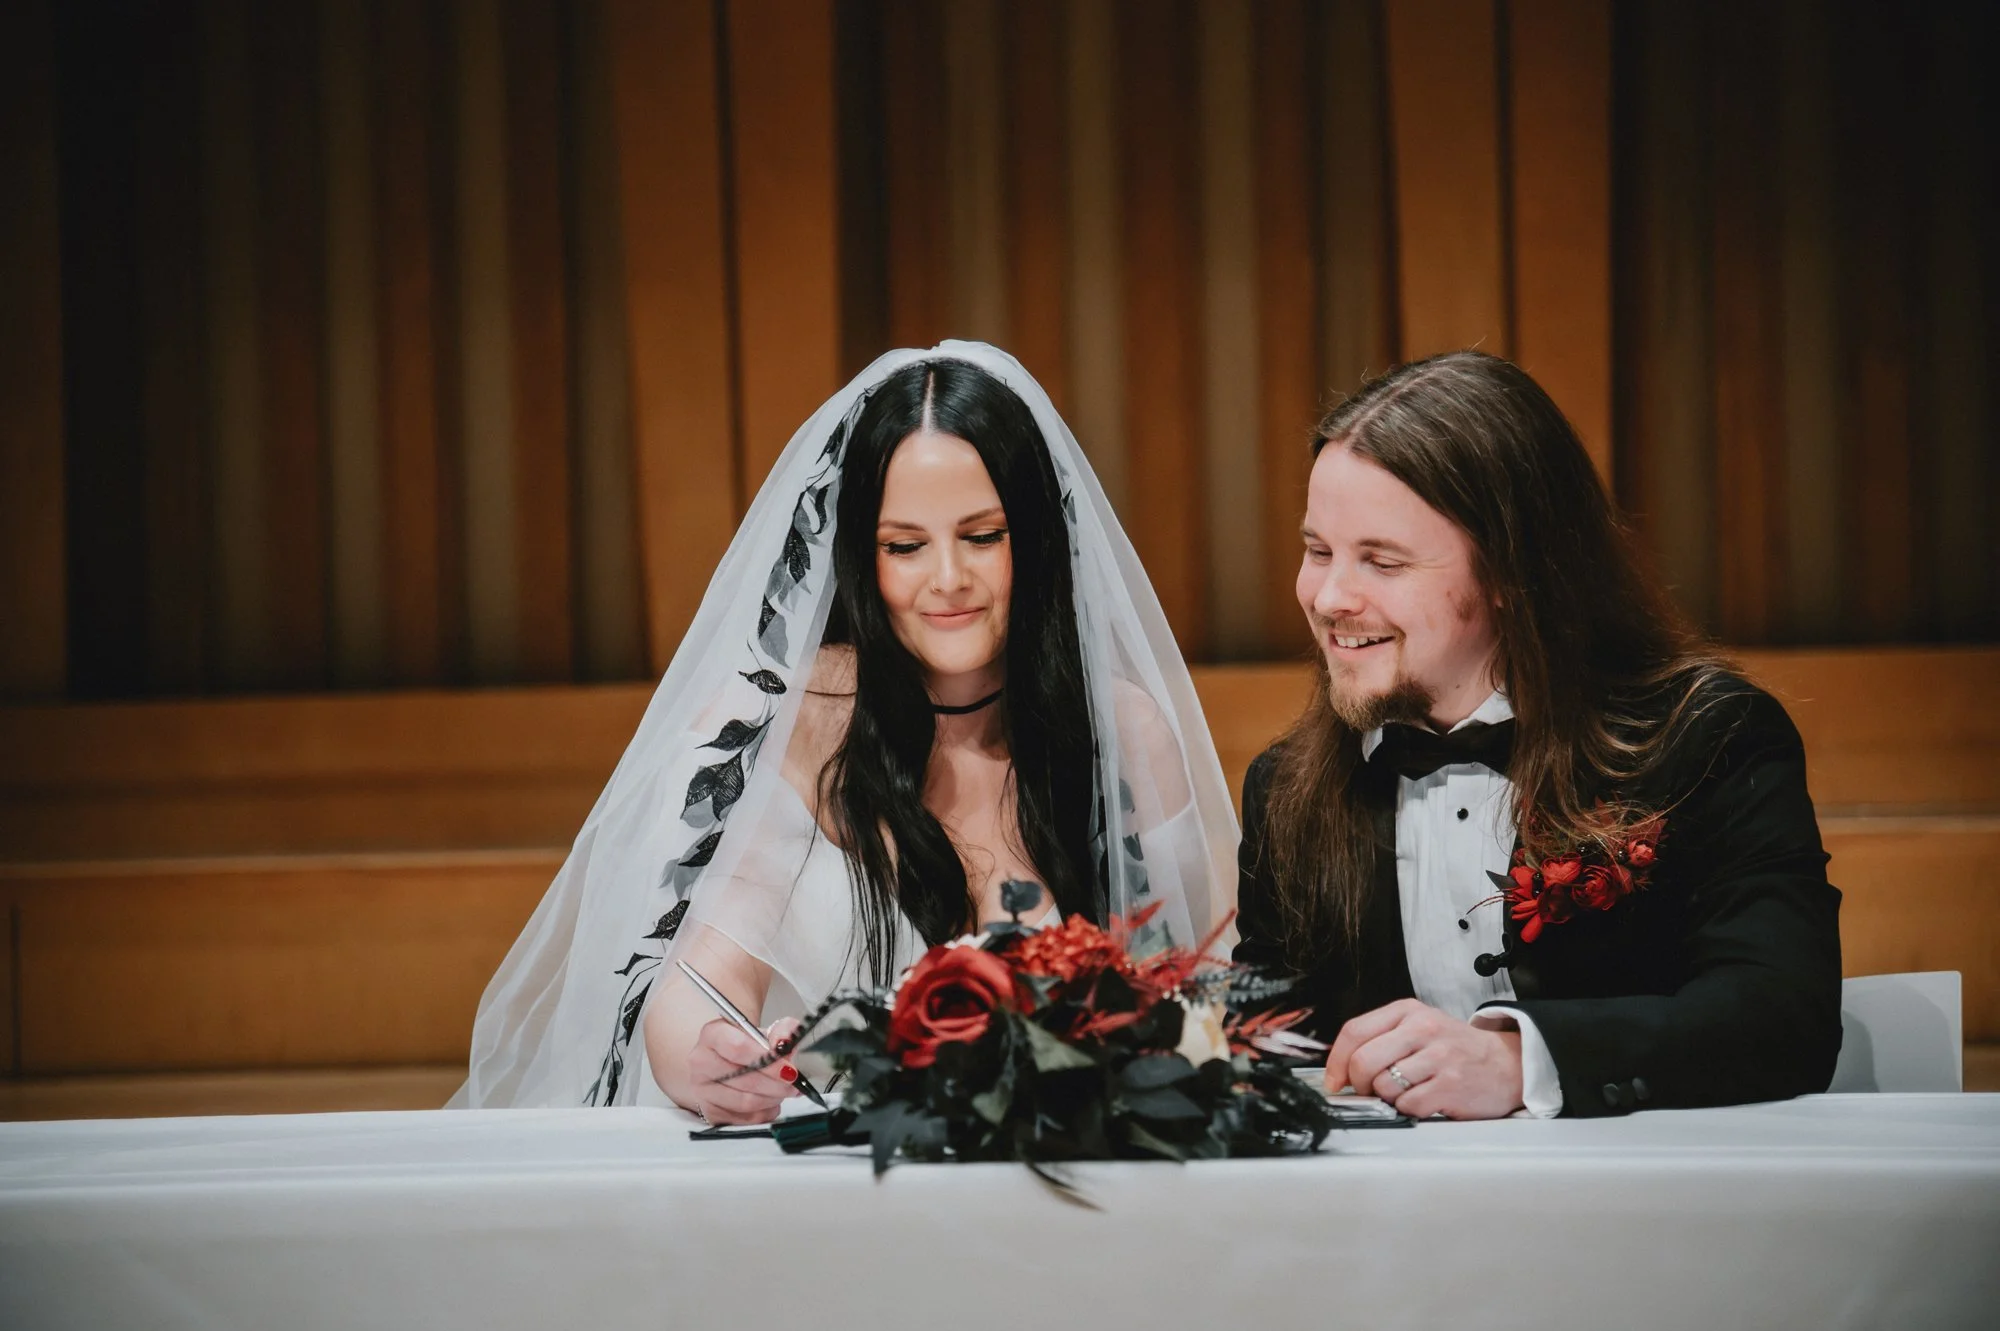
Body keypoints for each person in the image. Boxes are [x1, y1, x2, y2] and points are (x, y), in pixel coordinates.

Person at [451, 342, 1238, 1116]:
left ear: (1035, 539)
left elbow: (1195, 995)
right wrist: (715, 1054)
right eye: (905, 546)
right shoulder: (783, 721)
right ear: (858, 556)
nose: (948, 579)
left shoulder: (1122, 730)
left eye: (983, 536)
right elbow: (701, 979)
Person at [1233, 350, 1842, 1119]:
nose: (1327, 596)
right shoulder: (1284, 786)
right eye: (1318, 550)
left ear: (1511, 572)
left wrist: (1523, 1059)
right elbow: (1262, 1042)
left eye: (1381, 561)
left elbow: (1782, 1016)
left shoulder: (1707, 737)